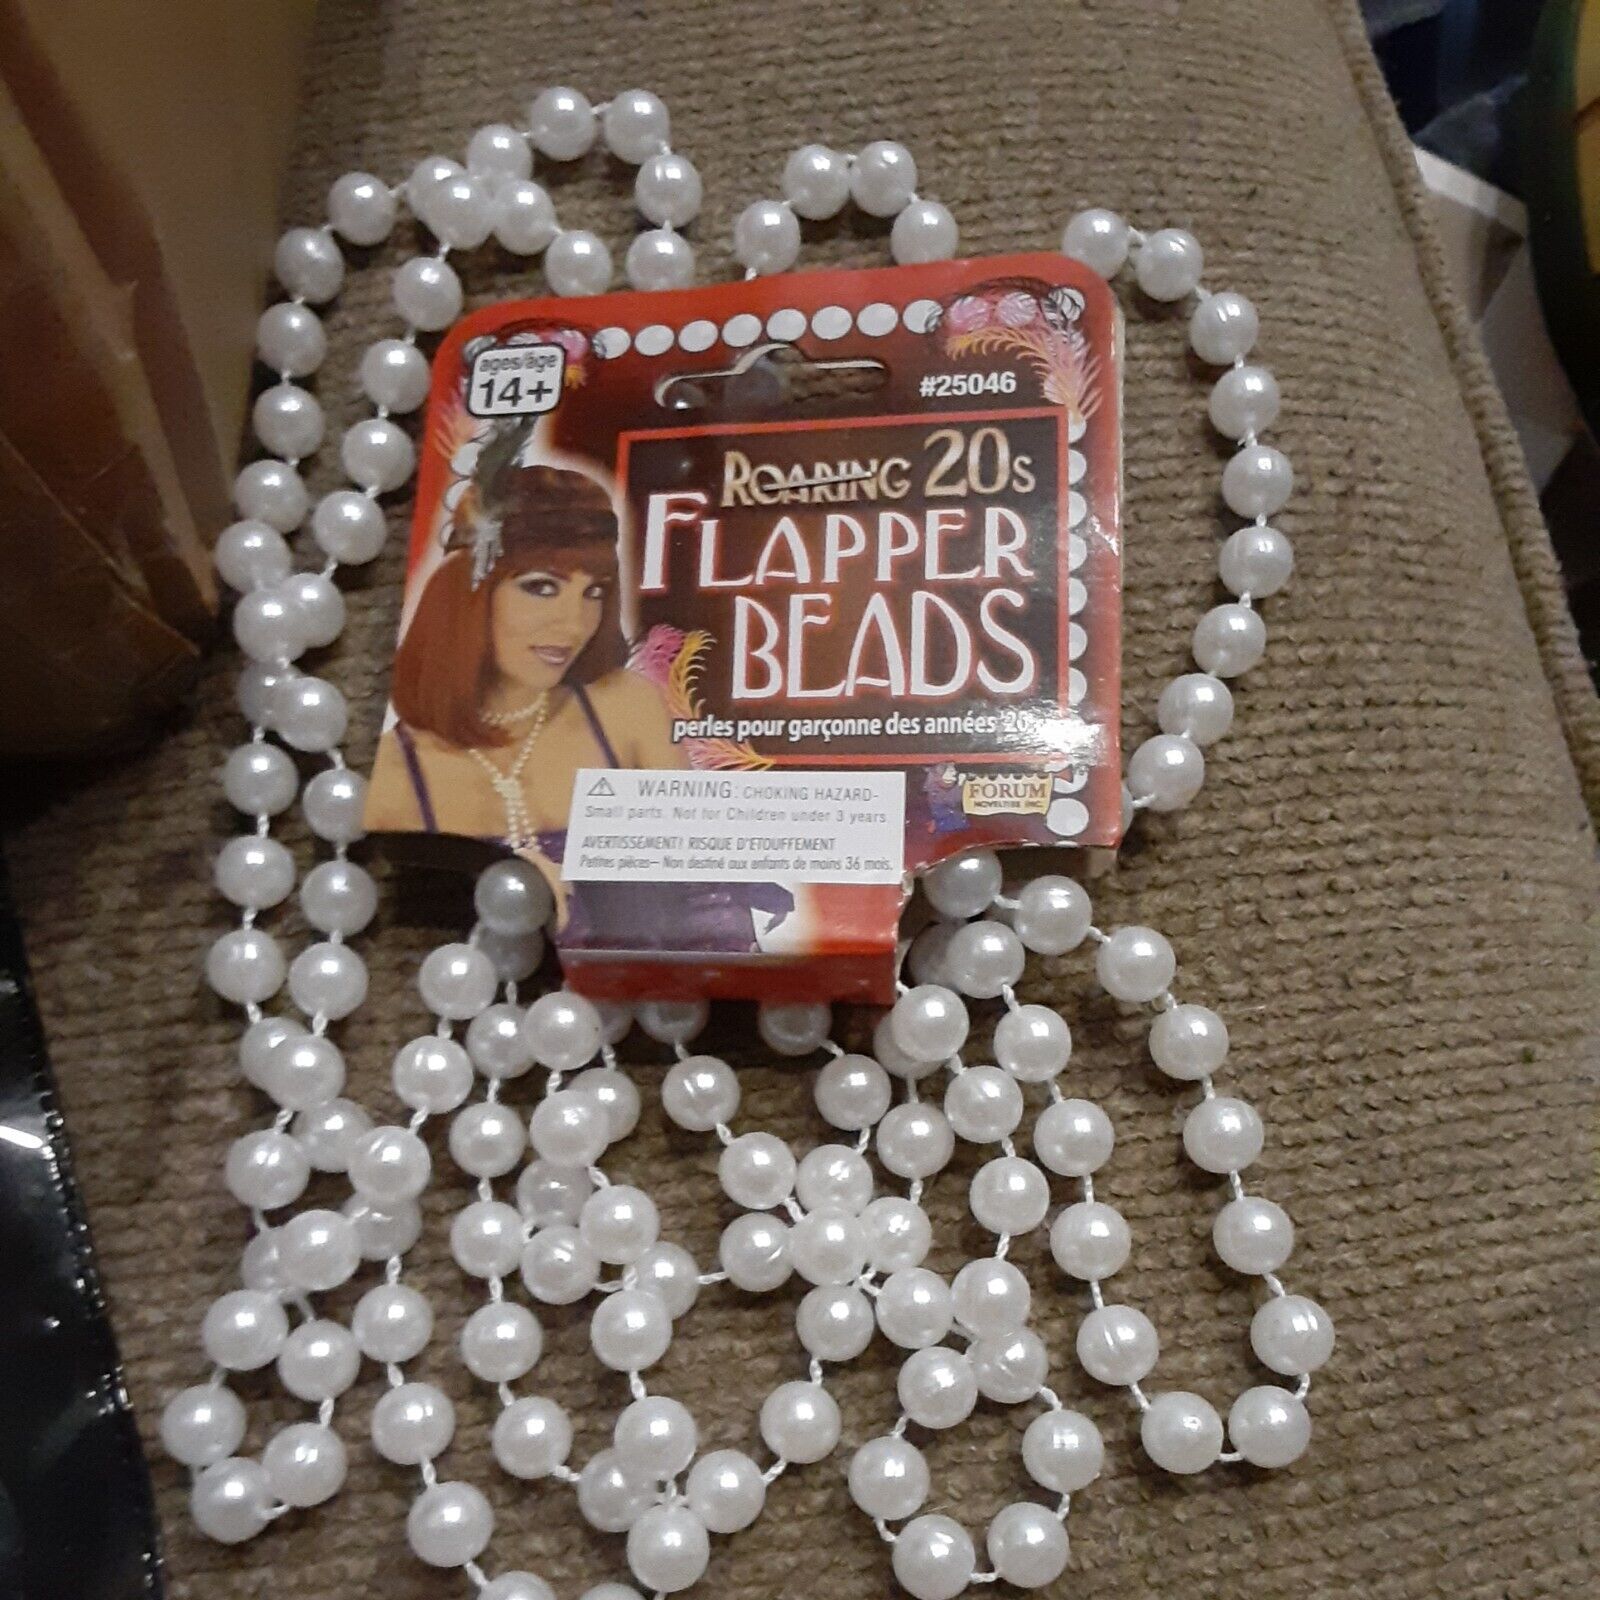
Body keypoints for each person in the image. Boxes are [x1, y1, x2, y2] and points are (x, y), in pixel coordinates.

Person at [368, 459, 790, 951]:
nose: (573, 624)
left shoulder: (626, 709)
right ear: (468, 589)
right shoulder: (398, 774)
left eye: (594, 592)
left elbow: (710, 900)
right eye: (541, 587)